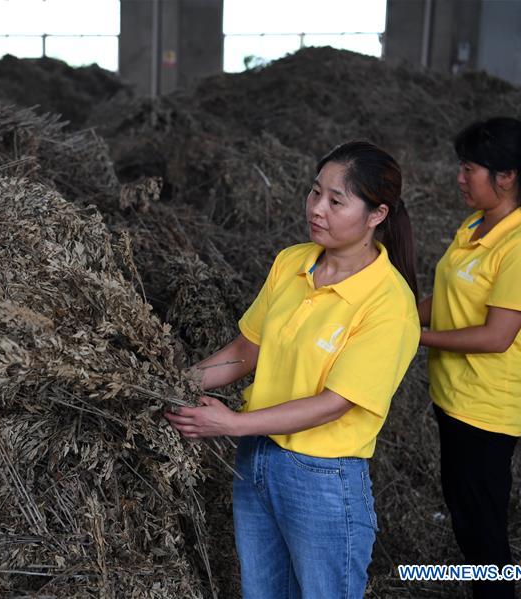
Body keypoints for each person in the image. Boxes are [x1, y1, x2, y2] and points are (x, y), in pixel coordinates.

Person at [165, 141, 421, 598]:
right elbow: (248, 349)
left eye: (336, 201)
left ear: (377, 215)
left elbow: (333, 404)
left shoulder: (389, 302)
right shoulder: (292, 262)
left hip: (323, 479)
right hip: (258, 462)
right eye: (314, 192)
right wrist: (172, 384)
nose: (317, 209)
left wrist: (231, 423)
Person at [417, 117, 521, 599]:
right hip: (453, 398)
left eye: (468, 168)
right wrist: (392, 314)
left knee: (485, 537)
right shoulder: (475, 224)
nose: (459, 177)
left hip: (486, 410)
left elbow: (498, 336)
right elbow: (449, 295)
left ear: (506, 177)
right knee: (466, 517)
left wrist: (416, 337)